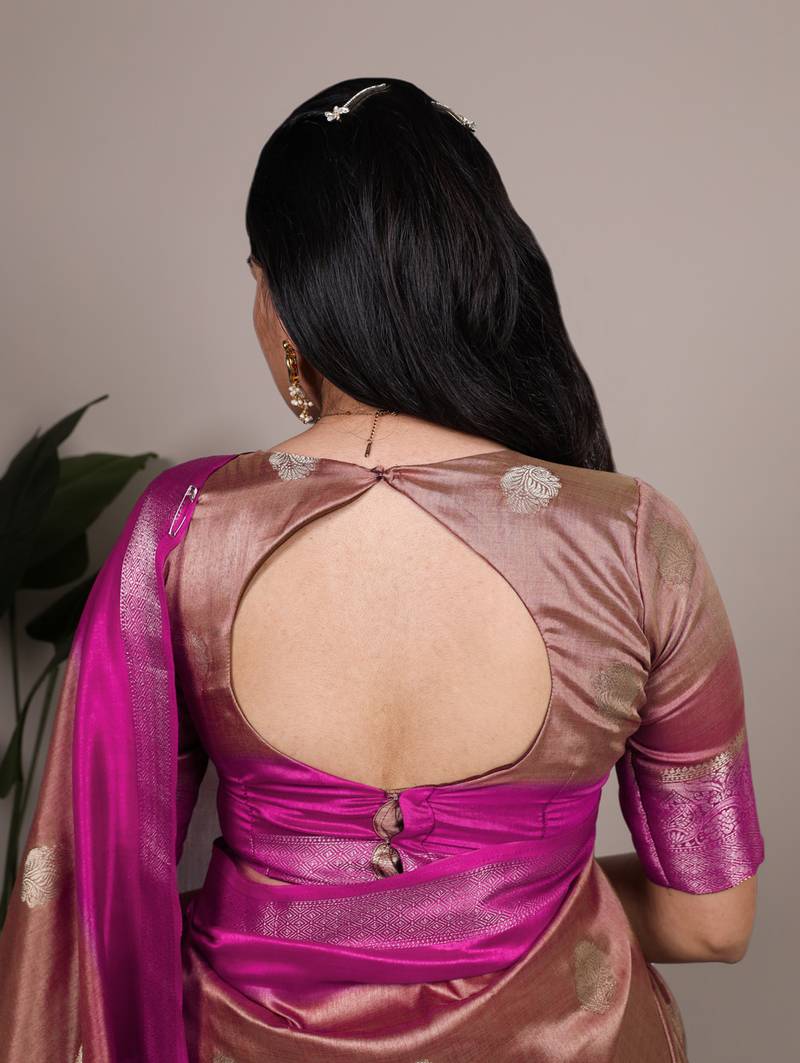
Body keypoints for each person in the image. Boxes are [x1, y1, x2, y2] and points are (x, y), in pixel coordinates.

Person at [0, 77, 765, 1063]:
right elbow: (710, 921)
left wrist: (314, 920)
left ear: (285, 294)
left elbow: (97, 884)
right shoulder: (633, 538)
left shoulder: (186, 529)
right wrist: (502, 904)